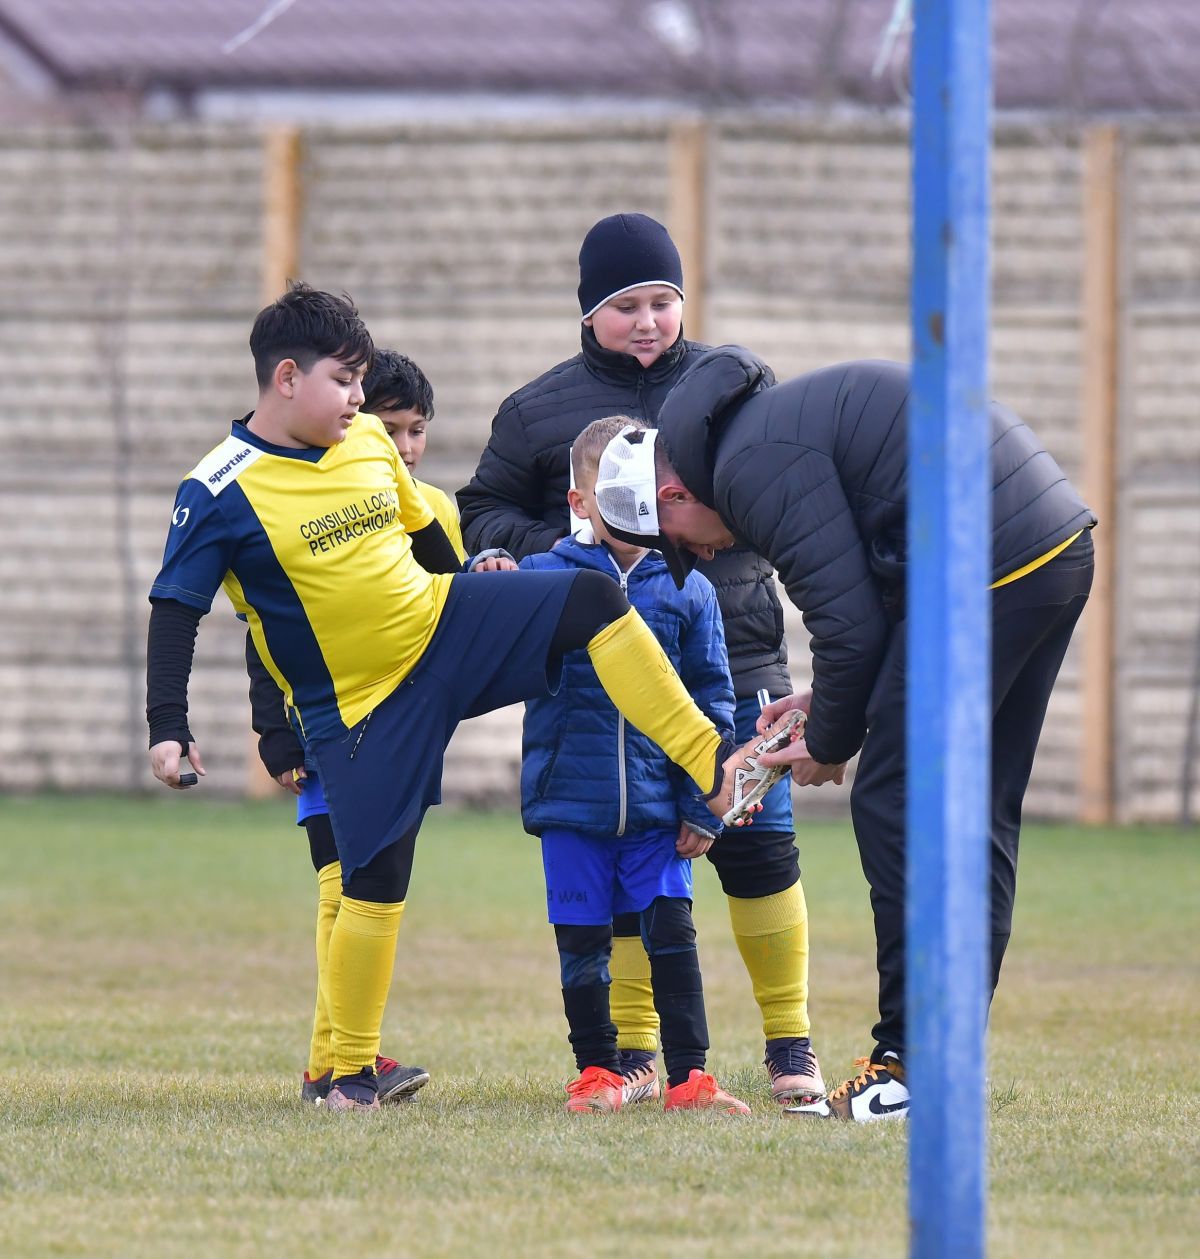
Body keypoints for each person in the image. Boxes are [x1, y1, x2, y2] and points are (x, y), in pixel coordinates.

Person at [144, 283, 787, 1115]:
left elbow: (430, 526)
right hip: (362, 704)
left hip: (442, 629)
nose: (359, 400)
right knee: (373, 878)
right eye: (345, 381)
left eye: (362, 382)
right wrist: (168, 725)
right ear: (287, 377)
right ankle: (348, 1078)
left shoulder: (365, 441)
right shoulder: (216, 489)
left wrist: (486, 585)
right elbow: (177, 606)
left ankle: (713, 767)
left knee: (593, 600)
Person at [593, 346, 1097, 1122]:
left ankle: (907, 1066)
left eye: (679, 542)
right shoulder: (757, 433)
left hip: (989, 560)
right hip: (1048, 546)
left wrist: (829, 740)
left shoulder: (746, 468)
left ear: (673, 492)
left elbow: (851, 627)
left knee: (892, 799)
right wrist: (832, 704)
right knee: (977, 810)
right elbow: (876, 601)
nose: (701, 554)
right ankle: (944, 1062)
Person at [458, 213, 826, 1109]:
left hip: (738, 655)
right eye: (627, 305)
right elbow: (484, 510)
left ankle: (790, 1042)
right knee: (629, 853)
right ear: (589, 312)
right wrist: (566, 557)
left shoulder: (733, 391)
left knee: (761, 846)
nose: (649, 321)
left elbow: (787, 490)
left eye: (664, 301)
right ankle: (633, 1053)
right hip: (606, 679)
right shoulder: (536, 411)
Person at [246, 349, 460, 1105]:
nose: (404, 446)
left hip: (399, 734)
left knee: (364, 890)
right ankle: (333, 1066)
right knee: (341, 888)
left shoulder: (434, 509)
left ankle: (332, 1066)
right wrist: (274, 732)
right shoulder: (317, 500)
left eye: (416, 430)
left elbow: (452, 606)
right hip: (325, 730)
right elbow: (264, 631)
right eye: (388, 428)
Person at [521, 415, 748, 1115]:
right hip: (570, 805)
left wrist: (701, 803)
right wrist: (488, 566)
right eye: (612, 495)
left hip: (658, 812)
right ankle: (596, 1072)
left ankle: (691, 1078)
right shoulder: (542, 580)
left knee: (673, 937)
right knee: (582, 942)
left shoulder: (688, 587)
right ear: (580, 501)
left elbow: (712, 700)